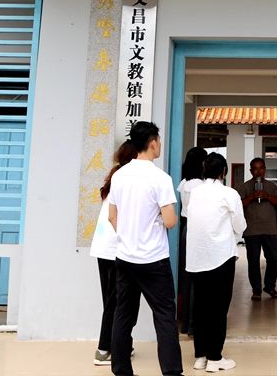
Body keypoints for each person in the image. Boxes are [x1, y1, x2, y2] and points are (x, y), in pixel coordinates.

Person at [107, 122, 184, 376]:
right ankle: (172, 372)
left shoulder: (119, 175)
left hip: (125, 257)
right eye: (158, 140)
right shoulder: (160, 178)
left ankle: (121, 371)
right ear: (152, 143)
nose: (159, 144)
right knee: (164, 317)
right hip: (153, 260)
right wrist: (156, 222)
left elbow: (112, 216)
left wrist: (129, 235)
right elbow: (170, 221)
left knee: (123, 315)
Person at [186, 152, 246, 373]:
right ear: (224, 172)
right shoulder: (229, 193)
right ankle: (215, 358)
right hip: (221, 257)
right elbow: (240, 225)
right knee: (218, 309)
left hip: (196, 258)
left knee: (200, 307)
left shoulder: (195, 192)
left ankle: (200, 356)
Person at [89, 151, 135, 367]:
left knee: (112, 301)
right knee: (116, 302)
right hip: (114, 249)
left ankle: (120, 344)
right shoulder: (124, 180)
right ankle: (104, 350)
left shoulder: (114, 177)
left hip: (103, 248)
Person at [237, 157, 277, 300]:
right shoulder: (244, 187)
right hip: (252, 230)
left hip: (270, 229)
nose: (258, 171)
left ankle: (270, 287)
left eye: (261, 168)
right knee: (253, 261)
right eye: (255, 169)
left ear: (265, 170)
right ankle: (256, 290)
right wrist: (251, 197)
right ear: (251, 171)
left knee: (273, 259)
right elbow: (238, 205)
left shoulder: (272, 186)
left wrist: (268, 196)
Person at [176, 147, 207, 336]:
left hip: (185, 229)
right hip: (198, 230)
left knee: (187, 278)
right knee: (199, 277)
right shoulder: (201, 186)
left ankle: (186, 322)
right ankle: (195, 323)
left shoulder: (184, 183)